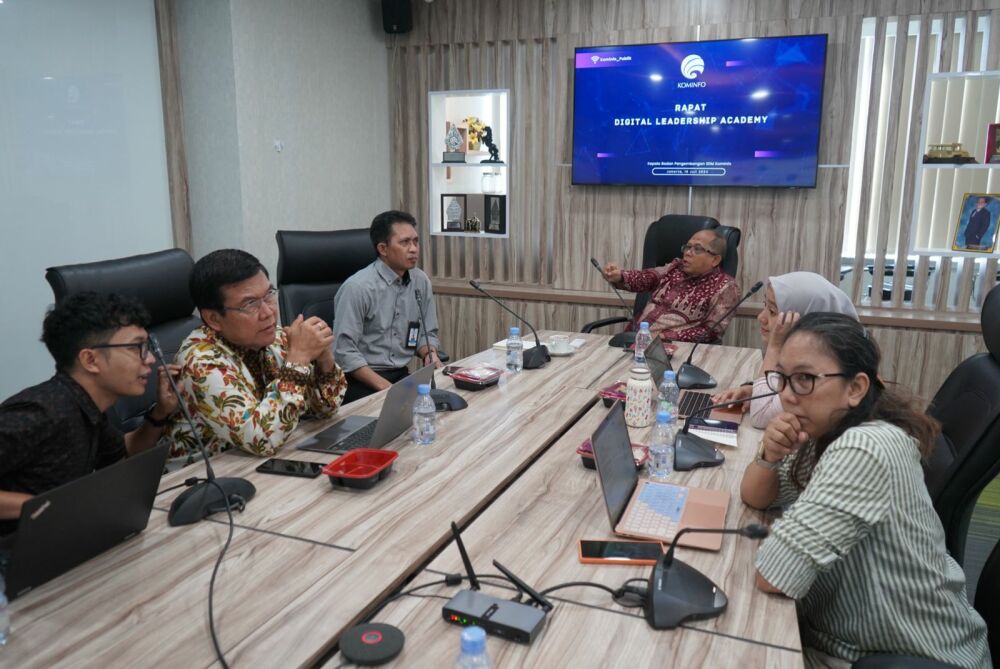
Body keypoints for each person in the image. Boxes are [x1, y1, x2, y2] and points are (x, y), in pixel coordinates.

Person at [741, 313, 989, 668]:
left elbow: (773, 576)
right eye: (782, 378)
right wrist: (769, 453)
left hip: (903, 655)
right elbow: (756, 496)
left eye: (804, 380)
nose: (786, 396)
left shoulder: (865, 447)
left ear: (855, 388)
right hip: (854, 641)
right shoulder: (828, 429)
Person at [0, 292, 179, 535]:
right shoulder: (41, 411)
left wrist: (160, 413)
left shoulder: (89, 408)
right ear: (90, 359)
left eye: (147, 347)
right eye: (136, 347)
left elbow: (126, 453)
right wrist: (41, 506)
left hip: (54, 544)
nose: (149, 359)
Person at [163, 249, 346, 467]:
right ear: (213, 318)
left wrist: (323, 356)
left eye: (269, 295)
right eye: (250, 304)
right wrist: (299, 358)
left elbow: (325, 409)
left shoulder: (271, 337)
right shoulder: (199, 360)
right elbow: (263, 439)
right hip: (204, 479)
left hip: (261, 463)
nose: (268, 312)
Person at [713, 272, 858, 427]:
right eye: (765, 306)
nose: (761, 317)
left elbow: (760, 415)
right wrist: (752, 390)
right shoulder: (810, 354)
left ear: (805, 318)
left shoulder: (823, 368)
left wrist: (775, 346)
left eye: (773, 311)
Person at [334, 210, 443, 404]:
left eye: (416, 241)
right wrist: (385, 388)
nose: (414, 249)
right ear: (383, 249)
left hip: (401, 376)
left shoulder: (420, 281)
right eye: (405, 242)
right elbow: (343, 352)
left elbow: (427, 333)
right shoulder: (357, 288)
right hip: (361, 380)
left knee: (437, 408)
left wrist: (430, 354)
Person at [600, 228, 739, 342]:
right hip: (635, 339)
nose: (688, 253)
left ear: (715, 259)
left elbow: (711, 332)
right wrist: (620, 276)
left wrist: (664, 337)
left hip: (675, 350)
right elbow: (646, 278)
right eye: (687, 247)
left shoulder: (726, 287)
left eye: (697, 249)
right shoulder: (675, 267)